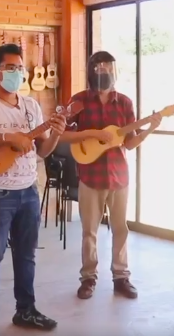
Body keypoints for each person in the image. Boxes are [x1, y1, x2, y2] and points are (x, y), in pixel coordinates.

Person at [0, 43, 65, 336]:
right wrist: (6, 137)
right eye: (12, 68)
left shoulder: (31, 106)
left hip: (29, 191)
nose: (18, 73)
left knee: (27, 256)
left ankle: (26, 310)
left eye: (21, 68)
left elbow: (43, 150)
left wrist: (56, 131)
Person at [60, 51, 160, 300]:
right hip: (90, 175)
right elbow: (62, 133)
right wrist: (91, 134)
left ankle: (121, 276)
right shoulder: (79, 100)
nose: (103, 71)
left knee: (120, 229)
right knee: (89, 231)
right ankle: (88, 278)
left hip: (118, 176)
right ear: (92, 70)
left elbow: (129, 143)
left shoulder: (124, 103)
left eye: (108, 68)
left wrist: (149, 129)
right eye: (99, 67)